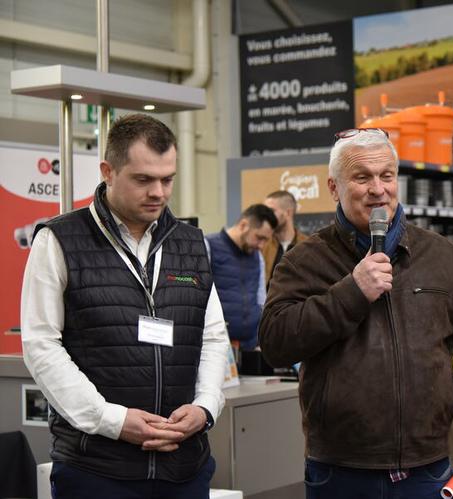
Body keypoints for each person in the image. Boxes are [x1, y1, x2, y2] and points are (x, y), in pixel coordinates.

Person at [259, 128, 453, 499]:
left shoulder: (443, 257)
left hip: (427, 466)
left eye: (386, 175)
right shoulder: (304, 261)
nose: (378, 189)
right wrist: (350, 293)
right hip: (340, 469)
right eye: (362, 177)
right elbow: (276, 343)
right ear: (333, 187)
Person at [20, 114, 230, 498]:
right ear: (108, 172)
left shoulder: (192, 243)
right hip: (97, 469)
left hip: (184, 468)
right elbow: (41, 345)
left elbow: (213, 337)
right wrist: (111, 420)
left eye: (167, 179)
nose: (159, 193)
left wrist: (205, 407)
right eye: (143, 179)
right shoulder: (60, 240)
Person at [206, 204, 276, 351]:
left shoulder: (258, 257)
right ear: (244, 225)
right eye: (259, 238)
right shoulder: (208, 246)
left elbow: (261, 300)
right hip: (216, 347)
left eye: (266, 240)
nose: (262, 246)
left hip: (250, 346)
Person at [262, 190, 308, 286]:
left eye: (271, 211)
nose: (266, 216)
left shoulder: (308, 245)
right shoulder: (261, 246)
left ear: (288, 213)